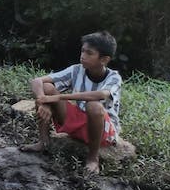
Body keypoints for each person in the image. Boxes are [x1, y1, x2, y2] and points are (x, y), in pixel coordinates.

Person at [22, 31, 123, 174]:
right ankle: (43, 142)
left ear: (104, 60)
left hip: (103, 130)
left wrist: (58, 98)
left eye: (89, 53)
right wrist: (43, 101)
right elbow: (36, 81)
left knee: (94, 105)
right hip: (78, 121)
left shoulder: (114, 77)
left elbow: (101, 95)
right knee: (46, 88)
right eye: (82, 51)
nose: (83, 55)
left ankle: (93, 158)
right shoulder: (76, 70)